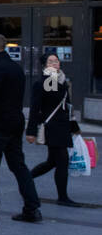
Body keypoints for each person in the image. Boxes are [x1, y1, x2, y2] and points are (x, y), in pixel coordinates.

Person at [0, 33, 41, 222]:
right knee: (19, 166)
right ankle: (32, 207)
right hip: (15, 122)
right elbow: (6, 94)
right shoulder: (14, 67)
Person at [26, 54, 79, 206]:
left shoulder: (61, 79)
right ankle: (63, 198)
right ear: (44, 66)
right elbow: (36, 108)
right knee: (62, 160)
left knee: (52, 162)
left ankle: (26, 179)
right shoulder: (50, 81)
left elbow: (67, 106)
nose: (54, 63)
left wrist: (75, 127)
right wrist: (31, 131)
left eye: (56, 60)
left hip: (62, 125)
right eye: (50, 61)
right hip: (53, 126)